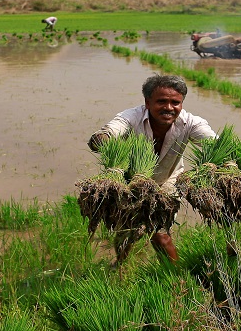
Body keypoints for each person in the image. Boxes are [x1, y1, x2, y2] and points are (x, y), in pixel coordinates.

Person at [88, 74, 216, 264]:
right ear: (148, 102)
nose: (169, 108)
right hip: (131, 182)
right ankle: (121, 262)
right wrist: (103, 140)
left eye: (175, 102)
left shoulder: (191, 123)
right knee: (125, 230)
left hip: (167, 181)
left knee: (160, 234)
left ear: (182, 103)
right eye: (162, 101)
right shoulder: (131, 117)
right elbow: (111, 130)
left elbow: (214, 144)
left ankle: (174, 277)